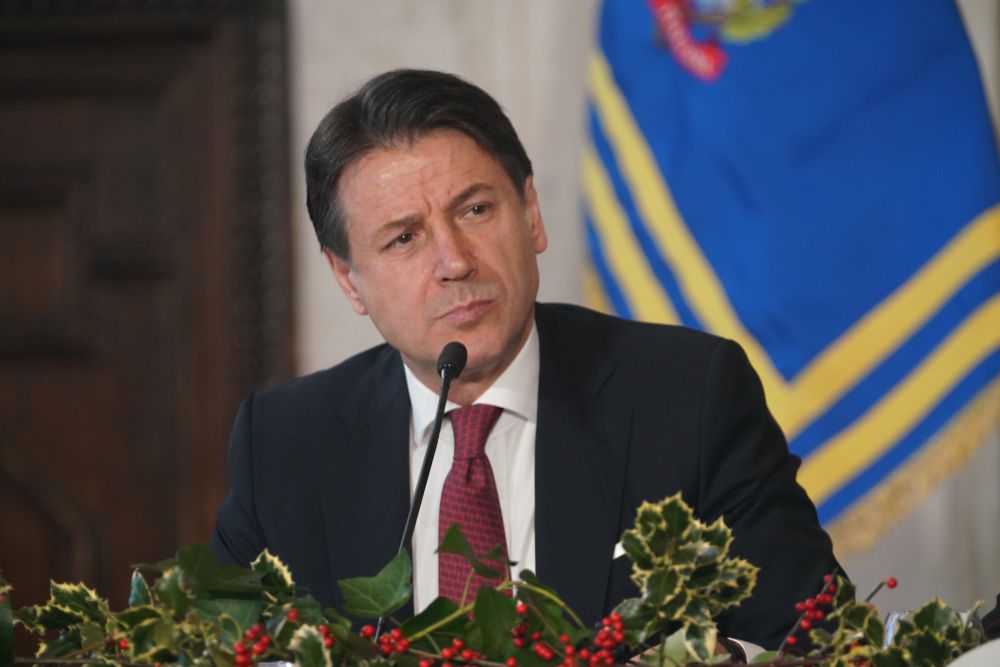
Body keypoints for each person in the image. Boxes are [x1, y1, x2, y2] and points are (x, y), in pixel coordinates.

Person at [210, 69, 840, 648]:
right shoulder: (286, 443)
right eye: (404, 238)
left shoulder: (687, 396)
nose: (455, 262)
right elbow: (217, 649)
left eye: (475, 210)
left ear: (531, 214)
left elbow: (818, 640)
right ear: (349, 279)